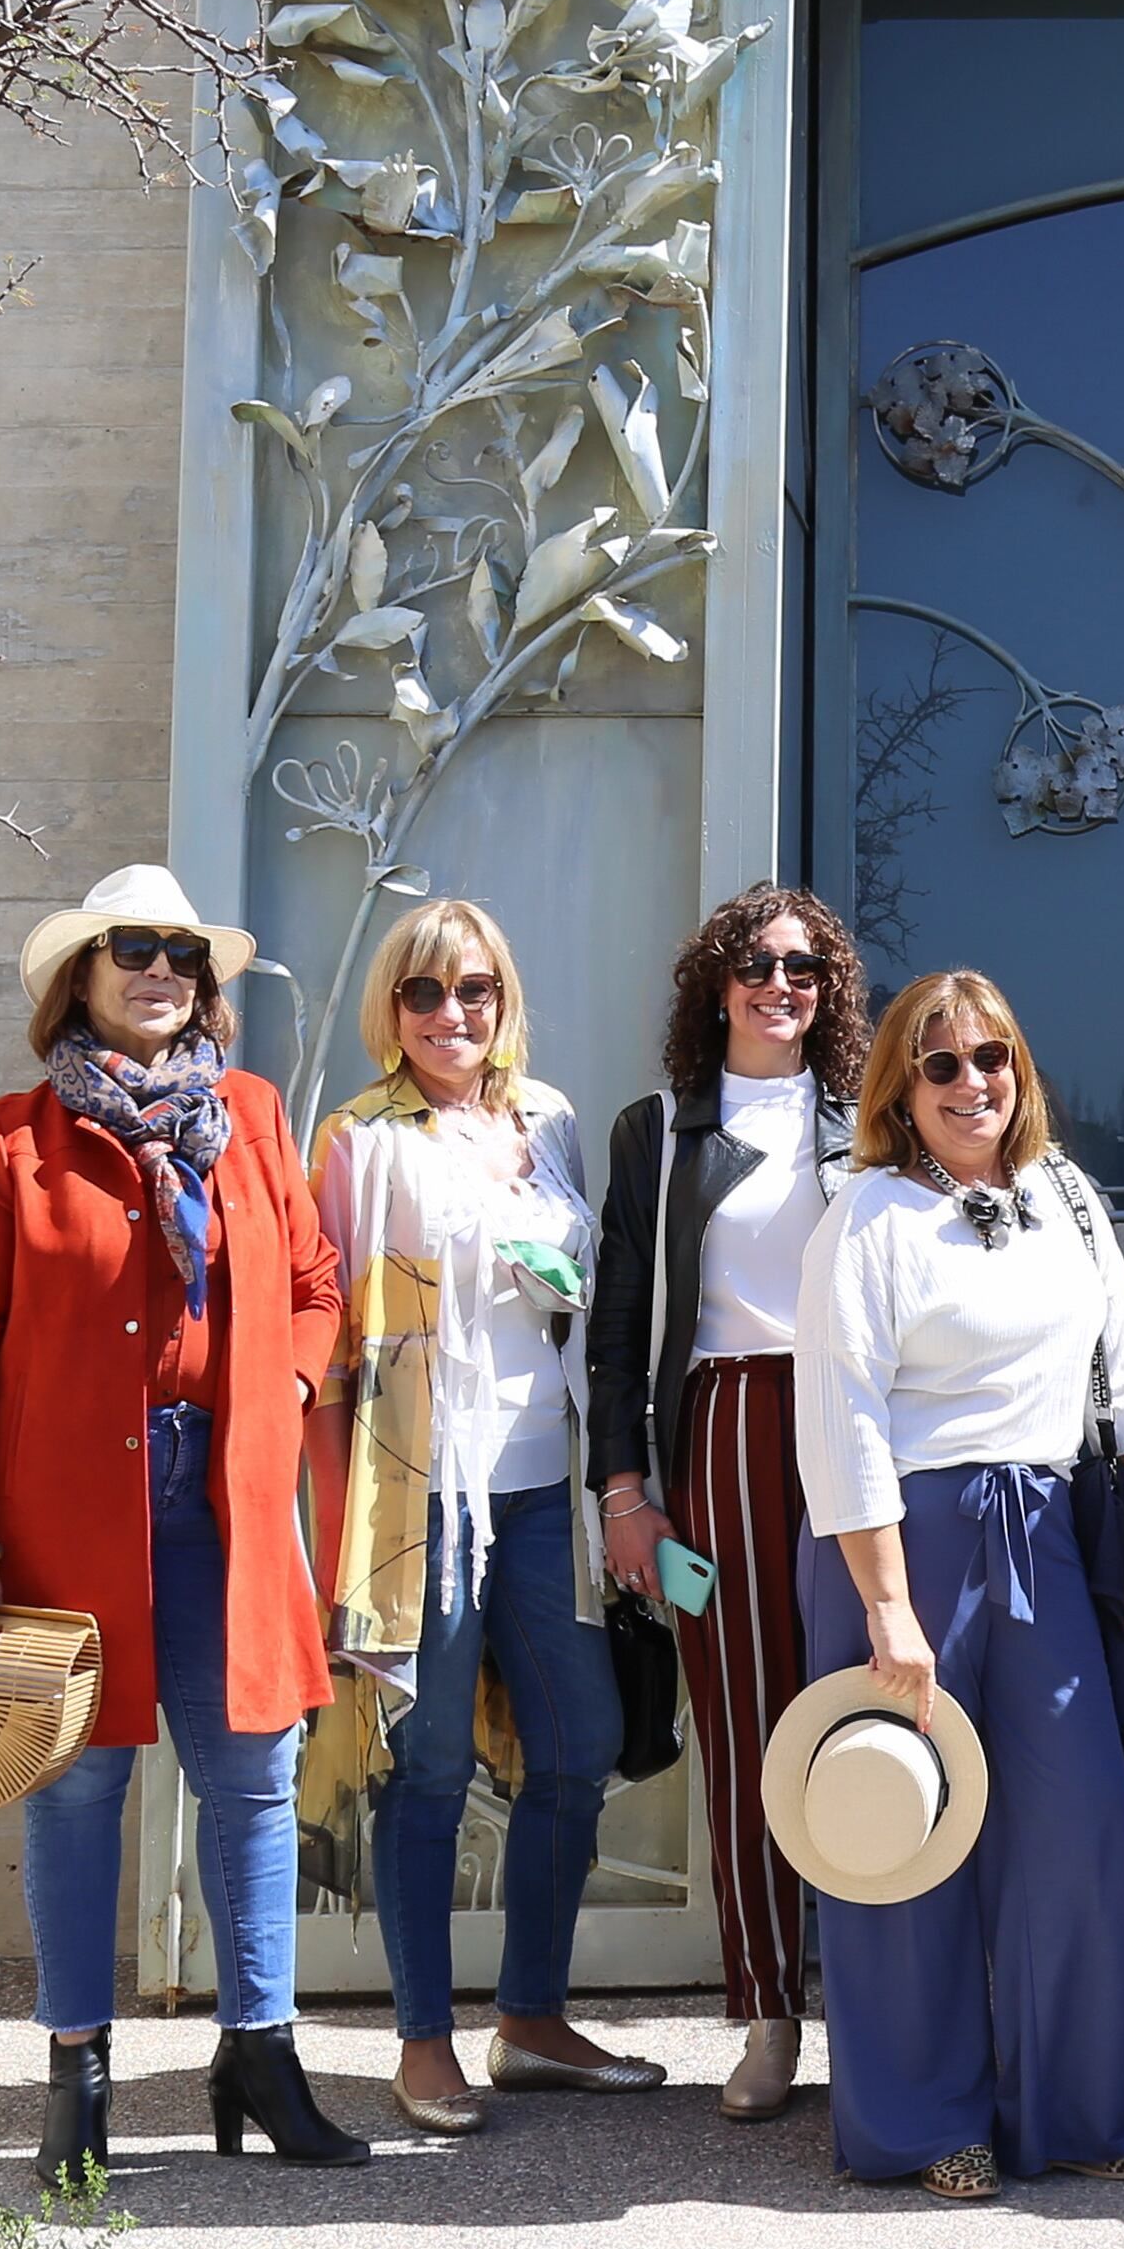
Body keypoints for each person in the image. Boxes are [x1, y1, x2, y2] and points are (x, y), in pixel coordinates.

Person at [0, 862, 366, 2187]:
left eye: (180, 948)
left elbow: (316, 1283)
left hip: (221, 1497)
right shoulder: (16, 1138)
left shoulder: (254, 1114)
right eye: (132, 948)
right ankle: (79, 2074)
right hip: (65, 1510)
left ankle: (260, 2051)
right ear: (81, 978)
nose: (161, 968)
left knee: (253, 1779)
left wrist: (281, 1388)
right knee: (77, 1788)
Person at [790, 970, 1124, 2199]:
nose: (974, 1083)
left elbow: (1123, 1356)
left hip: (1046, 1533)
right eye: (942, 1065)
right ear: (898, 1091)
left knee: (1074, 1823)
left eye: (993, 1058)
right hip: (902, 1538)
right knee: (900, 1827)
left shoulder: (1063, 1192)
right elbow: (841, 1415)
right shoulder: (861, 1215)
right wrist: (884, 1606)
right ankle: (920, 2124)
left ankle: (1079, 2113)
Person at [308, 898, 662, 2135]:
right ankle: (421, 2039)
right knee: (431, 1759)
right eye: (421, 993)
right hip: (417, 1489)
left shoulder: (548, 1118)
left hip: (539, 1486)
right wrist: (326, 1546)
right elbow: (332, 1354)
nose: (449, 1015)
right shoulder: (359, 1139)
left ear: (503, 998)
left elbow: (587, 1297)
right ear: (388, 1010)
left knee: (579, 1741)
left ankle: (530, 2016)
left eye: (473, 990)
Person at [591, 886, 863, 2121]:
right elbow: (613, 1333)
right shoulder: (657, 1132)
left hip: (858, 1425)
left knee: (871, 1706)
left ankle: (878, 2004)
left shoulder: (871, 1123)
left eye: (803, 969)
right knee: (749, 1723)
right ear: (715, 983)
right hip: (728, 1429)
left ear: (829, 991)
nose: (778, 984)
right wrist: (624, 1491)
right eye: (754, 964)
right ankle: (767, 2012)